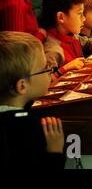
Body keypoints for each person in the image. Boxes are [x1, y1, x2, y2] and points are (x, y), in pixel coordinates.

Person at [0, 31, 65, 168]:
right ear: (22, 86)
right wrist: (55, 152)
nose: (50, 70)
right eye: (45, 68)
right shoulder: (29, 126)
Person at [41, 0, 92, 77]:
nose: (84, 18)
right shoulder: (52, 50)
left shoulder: (73, 36)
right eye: (79, 14)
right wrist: (64, 69)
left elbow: (87, 42)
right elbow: (44, 82)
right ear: (61, 17)